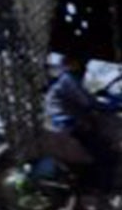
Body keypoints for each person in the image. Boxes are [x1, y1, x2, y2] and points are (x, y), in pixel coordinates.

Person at [45, 53, 113, 195]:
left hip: (62, 123)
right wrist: (112, 106)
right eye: (80, 63)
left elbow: (84, 98)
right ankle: (98, 191)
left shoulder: (65, 80)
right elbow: (86, 101)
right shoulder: (68, 80)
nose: (84, 67)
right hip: (67, 125)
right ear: (71, 63)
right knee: (105, 153)